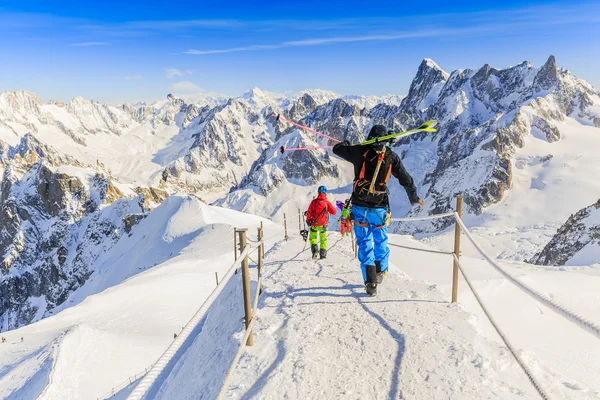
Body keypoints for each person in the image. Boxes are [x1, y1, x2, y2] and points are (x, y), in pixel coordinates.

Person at [333, 125, 424, 296]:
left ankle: (370, 281)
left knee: (364, 243)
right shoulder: (390, 156)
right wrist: (413, 196)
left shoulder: (359, 151)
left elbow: (337, 149)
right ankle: (380, 271)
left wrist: (347, 143)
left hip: (359, 206)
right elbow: (406, 178)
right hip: (379, 207)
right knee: (380, 240)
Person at [306, 186, 336, 259]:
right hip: (323, 225)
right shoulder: (327, 203)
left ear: (318, 192)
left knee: (313, 238)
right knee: (323, 239)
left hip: (314, 224)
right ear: (325, 193)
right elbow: (334, 212)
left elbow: (309, 212)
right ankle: (323, 255)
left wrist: (308, 220)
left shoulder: (314, 202)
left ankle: (315, 251)